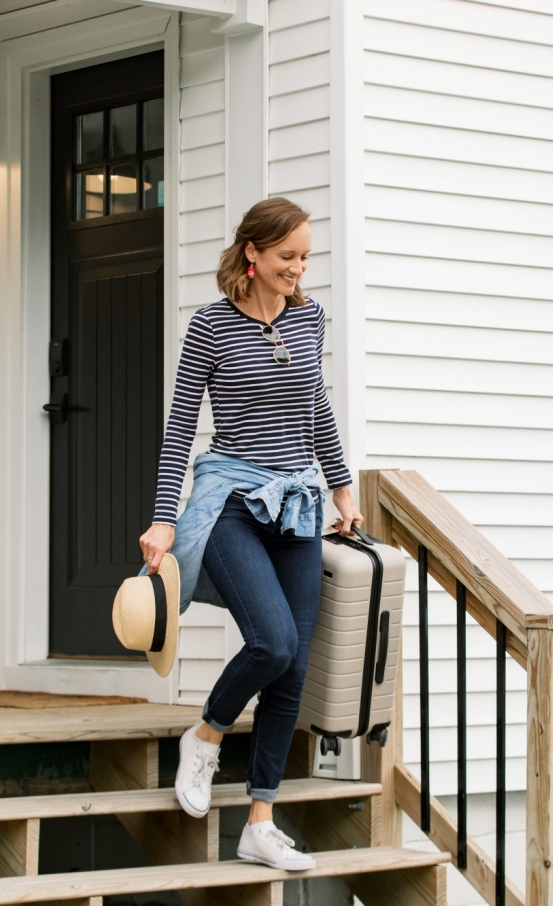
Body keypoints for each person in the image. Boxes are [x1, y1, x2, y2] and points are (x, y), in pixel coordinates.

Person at [138, 197, 363, 871]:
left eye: (304, 257)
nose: (298, 269)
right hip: (234, 499)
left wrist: (342, 488)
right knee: (271, 641)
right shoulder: (210, 327)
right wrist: (161, 515)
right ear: (252, 255)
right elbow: (180, 426)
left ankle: (259, 821)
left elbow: (316, 407)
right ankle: (205, 734)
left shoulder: (309, 318)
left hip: (297, 502)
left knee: (293, 665)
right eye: (287, 256)